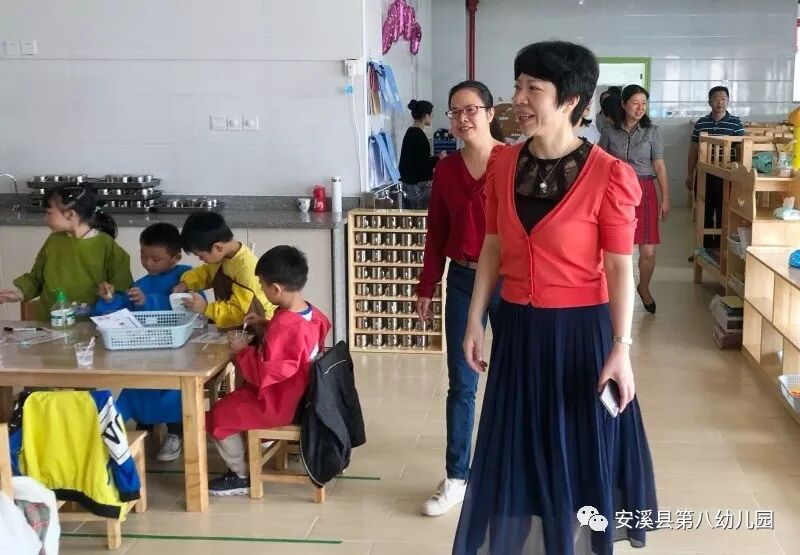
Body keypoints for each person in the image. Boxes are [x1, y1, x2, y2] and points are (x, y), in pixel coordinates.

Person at [454, 41, 657, 554]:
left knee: (575, 453)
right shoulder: (503, 163)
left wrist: (621, 348)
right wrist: (476, 319)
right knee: (519, 451)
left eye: (533, 88)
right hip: (518, 331)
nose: (518, 98)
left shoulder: (610, 175)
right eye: (517, 85)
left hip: (580, 337)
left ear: (570, 100)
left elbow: (619, 266)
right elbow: (493, 245)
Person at [415, 80, 503, 517]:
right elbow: (437, 232)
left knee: (512, 379)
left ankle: (508, 472)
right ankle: (457, 477)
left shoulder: (514, 162)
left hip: (510, 281)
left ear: (490, 113)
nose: (463, 118)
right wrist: (427, 285)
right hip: (464, 280)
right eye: (455, 112)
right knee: (462, 382)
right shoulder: (447, 170)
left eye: (471, 109)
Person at [205, 246, 331, 496]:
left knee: (217, 415)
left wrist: (242, 351)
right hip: (303, 394)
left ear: (276, 289)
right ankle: (260, 444)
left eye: (262, 286)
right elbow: (298, 346)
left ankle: (240, 475)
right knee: (232, 403)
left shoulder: (285, 326)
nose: (261, 291)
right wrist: (266, 324)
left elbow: (264, 375)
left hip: (279, 402)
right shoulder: (313, 313)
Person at [95, 222, 196, 462]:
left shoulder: (187, 276)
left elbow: (188, 306)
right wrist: (110, 300)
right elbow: (123, 312)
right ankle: (143, 429)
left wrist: (148, 302)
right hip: (146, 349)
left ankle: (176, 431)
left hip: (181, 351)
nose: (148, 263)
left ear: (176, 257)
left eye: (156, 258)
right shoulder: (140, 284)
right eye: (143, 256)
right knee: (138, 385)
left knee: (172, 388)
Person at [0, 187, 132, 320]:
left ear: (70, 215)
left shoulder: (107, 246)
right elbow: (37, 279)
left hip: (91, 325)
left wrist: (110, 295)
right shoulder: (53, 241)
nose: (45, 218)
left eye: (49, 212)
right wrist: (18, 294)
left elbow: (124, 291)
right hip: (50, 323)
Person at [599, 84, 669, 314]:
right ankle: (615, 292)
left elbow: (659, 165)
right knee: (618, 249)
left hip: (645, 190)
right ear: (623, 104)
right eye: (635, 103)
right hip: (616, 192)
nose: (640, 108)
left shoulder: (652, 132)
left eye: (644, 104)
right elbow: (600, 164)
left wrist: (665, 198)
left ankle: (644, 287)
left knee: (648, 251)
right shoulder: (609, 132)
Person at [175, 212, 275, 329]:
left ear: (218, 247)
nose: (201, 260)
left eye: (201, 256)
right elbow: (207, 272)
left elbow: (238, 312)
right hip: (233, 324)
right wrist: (186, 283)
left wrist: (206, 308)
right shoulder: (222, 255)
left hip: (258, 327)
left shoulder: (246, 270)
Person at [686, 86, 745, 257]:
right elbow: (693, 150)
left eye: (724, 99)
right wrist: (690, 174)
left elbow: (741, 152)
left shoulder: (735, 123)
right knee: (704, 211)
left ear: (728, 101)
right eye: (716, 99)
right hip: (705, 174)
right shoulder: (701, 123)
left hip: (726, 176)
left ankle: (720, 251)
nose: (720, 103)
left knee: (723, 212)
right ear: (709, 101)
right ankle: (703, 250)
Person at [399, 99, 442, 209]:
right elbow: (423, 164)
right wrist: (438, 157)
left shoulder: (410, 131)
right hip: (417, 186)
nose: (432, 117)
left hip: (409, 183)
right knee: (420, 216)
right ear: (426, 115)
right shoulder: (419, 136)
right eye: (431, 114)